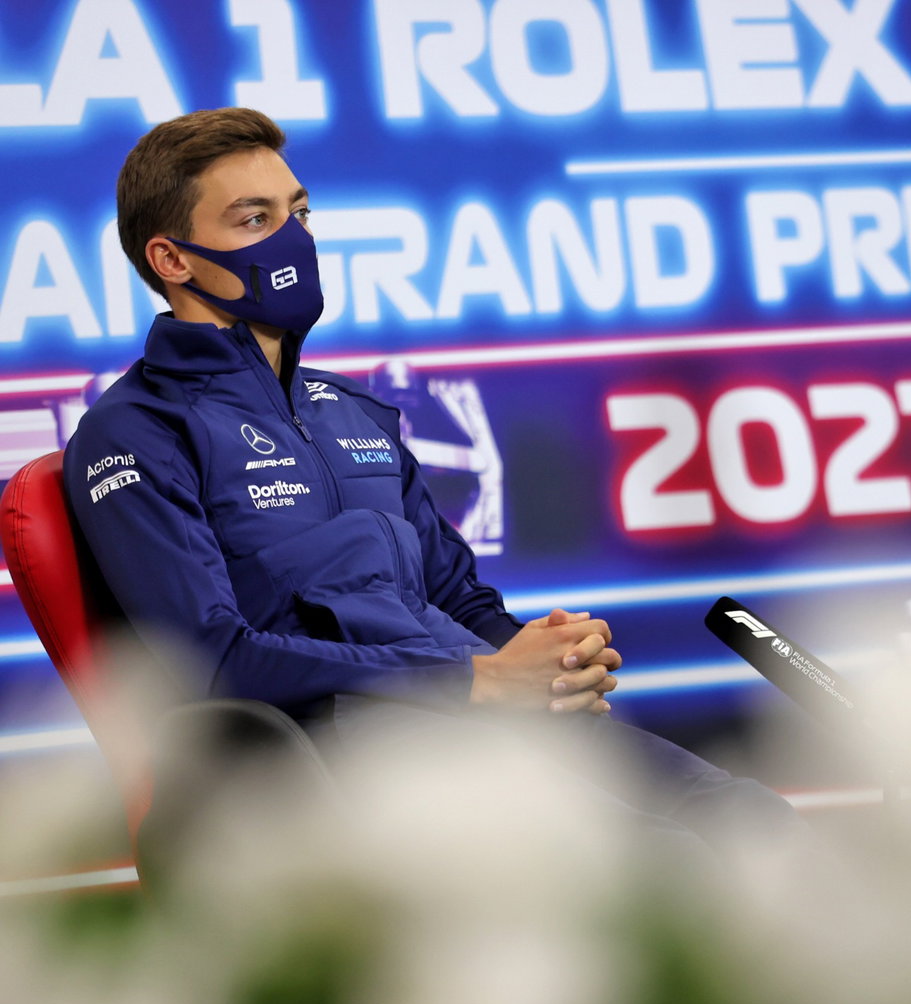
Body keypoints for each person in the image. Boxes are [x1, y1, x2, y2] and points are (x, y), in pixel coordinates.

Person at [64, 107, 805, 861]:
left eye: (300, 212)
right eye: (255, 219)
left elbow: (457, 600)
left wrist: (543, 662)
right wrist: (474, 680)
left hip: (478, 725)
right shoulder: (135, 432)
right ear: (173, 259)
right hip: (345, 763)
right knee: (667, 863)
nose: (294, 239)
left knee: (751, 822)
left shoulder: (352, 411)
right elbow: (212, 662)